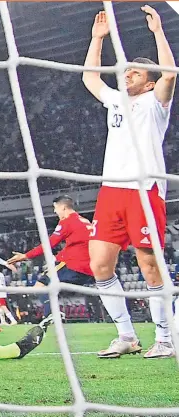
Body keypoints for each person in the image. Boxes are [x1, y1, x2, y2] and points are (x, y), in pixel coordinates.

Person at [82, 6, 176, 359]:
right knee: (100, 265)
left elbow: (170, 74)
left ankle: (165, 339)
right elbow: (90, 79)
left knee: (149, 266)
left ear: (148, 82)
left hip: (144, 190)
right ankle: (126, 335)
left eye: (134, 72)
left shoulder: (155, 103)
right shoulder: (116, 100)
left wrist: (158, 32)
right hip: (111, 191)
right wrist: (96, 40)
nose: (127, 75)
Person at [8, 195, 95, 319]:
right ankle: (53, 314)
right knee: (52, 289)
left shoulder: (67, 221)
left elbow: (50, 243)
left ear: (63, 207)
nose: (55, 211)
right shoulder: (85, 221)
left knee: (39, 287)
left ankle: (51, 316)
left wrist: (26, 255)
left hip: (72, 265)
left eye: (56, 208)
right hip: (88, 269)